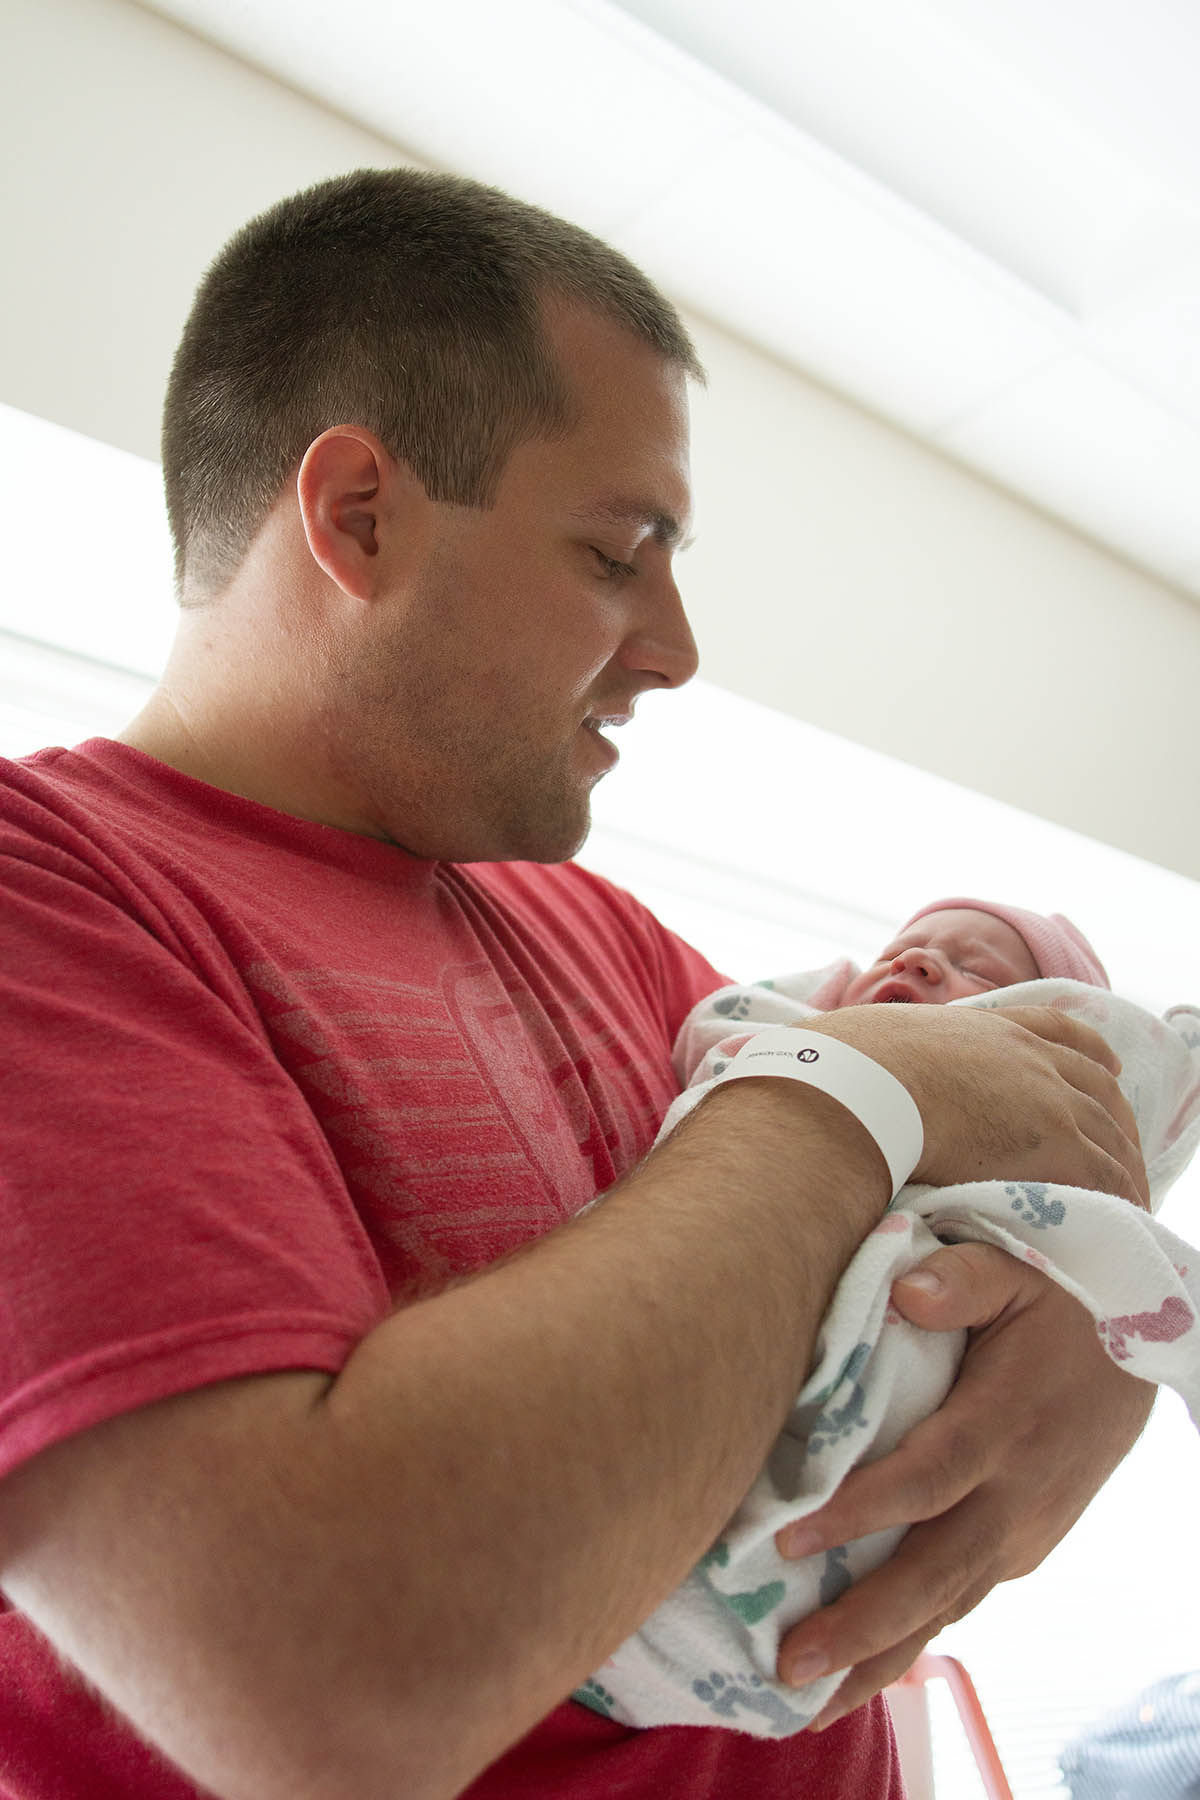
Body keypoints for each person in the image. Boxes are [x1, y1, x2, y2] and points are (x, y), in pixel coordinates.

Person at [0, 168, 1152, 1800]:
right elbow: (329, 1688)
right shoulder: (50, 896)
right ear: (359, 519)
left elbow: (976, 1233)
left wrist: (1090, 1342)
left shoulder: (604, 940)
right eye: (620, 553)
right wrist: (857, 1098)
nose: (676, 647)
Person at [582, 899, 1200, 1735]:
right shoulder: (773, 1043)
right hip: (583, 1519)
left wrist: (1101, 1310)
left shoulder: (622, 946)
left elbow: (1099, 1206)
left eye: (980, 972)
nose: (915, 966)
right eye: (901, 951)